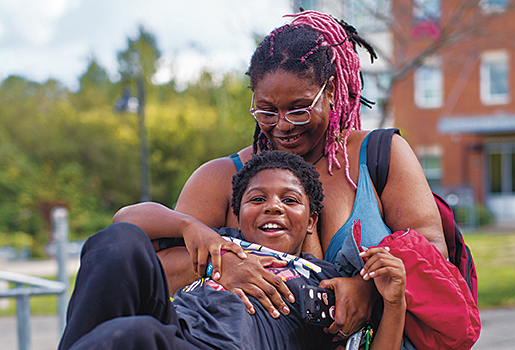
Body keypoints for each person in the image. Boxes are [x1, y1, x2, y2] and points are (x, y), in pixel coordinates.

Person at [114, 9, 478, 348]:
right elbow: (153, 266)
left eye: (299, 109)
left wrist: (368, 292)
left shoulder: (381, 157)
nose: (283, 126)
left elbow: (431, 256)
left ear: (331, 92)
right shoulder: (221, 177)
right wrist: (223, 266)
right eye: (267, 111)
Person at [58, 151, 407, 350]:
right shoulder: (217, 243)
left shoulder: (324, 280)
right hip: (175, 329)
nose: (273, 207)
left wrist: (393, 304)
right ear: (237, 217)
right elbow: (126, 220)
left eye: (289, 200)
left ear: (312, 220)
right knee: (120, 242)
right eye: (257, 199)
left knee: (132, 336)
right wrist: (189, 227)